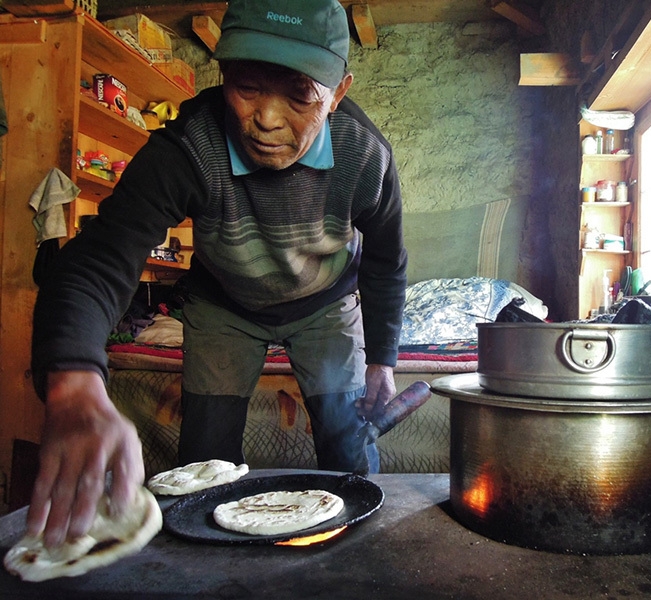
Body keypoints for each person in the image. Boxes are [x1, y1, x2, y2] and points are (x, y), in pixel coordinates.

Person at [27, 0, 407, 548]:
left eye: (300, 94)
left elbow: (386, 261)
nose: (267, 120)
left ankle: (355, 561)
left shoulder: (365, 155)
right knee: (203, 464)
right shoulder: (190, 145)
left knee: (347, 450)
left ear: (338, 93)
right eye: (247, 87)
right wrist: (73, 382)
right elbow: (102, 257)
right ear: (221, 75)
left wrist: (383, 360)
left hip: (324, 304)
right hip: (224, 305)